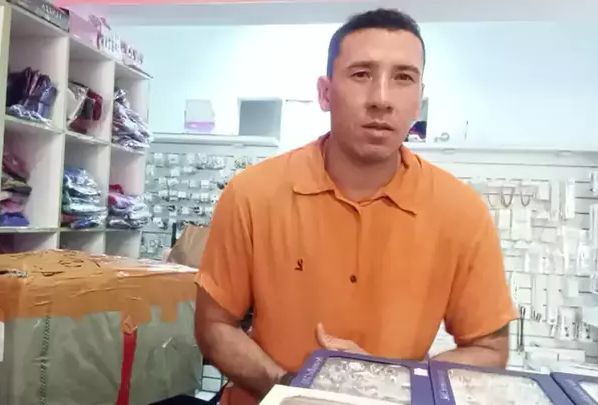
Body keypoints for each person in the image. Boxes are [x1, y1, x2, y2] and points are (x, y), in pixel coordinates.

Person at [194, 8, 517, 405]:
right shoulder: (252, 194)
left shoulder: (461, 212)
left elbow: (489, 348)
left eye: (403, 78)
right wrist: (294, 388)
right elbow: (213, 326)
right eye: (362, 74)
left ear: (418, 100)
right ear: (325, 93)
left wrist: (389, 384)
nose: (381, 99)